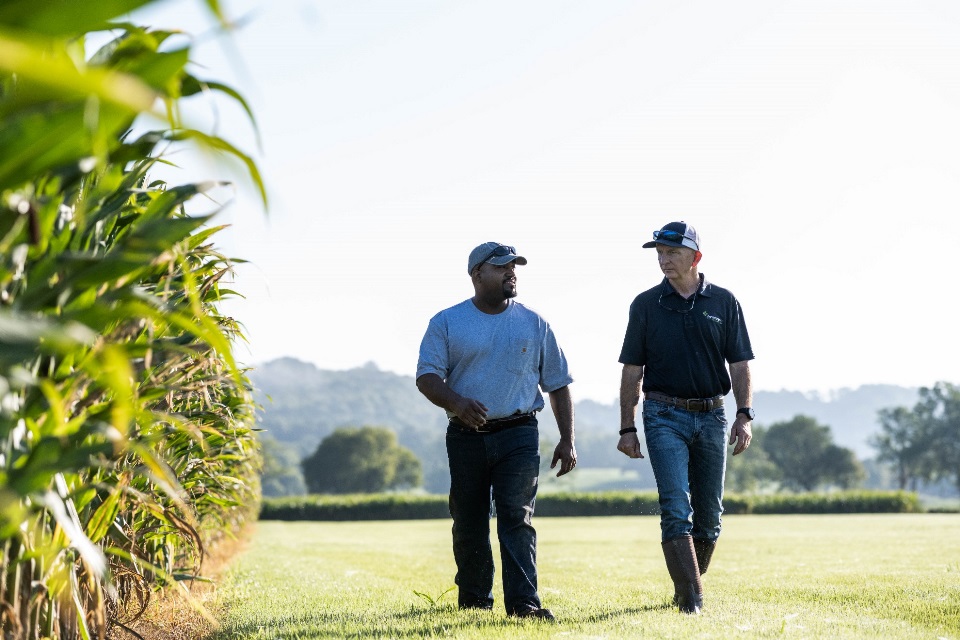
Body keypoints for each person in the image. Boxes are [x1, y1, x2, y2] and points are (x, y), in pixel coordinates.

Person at [416, 241, 577, 621]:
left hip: (520, 433)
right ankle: (474, 603)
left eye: (514, 266)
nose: (511, 271)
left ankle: (524, 606)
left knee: (516, 518)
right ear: (477, 274)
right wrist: (457, 403)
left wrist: (568, 438)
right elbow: (426, 378)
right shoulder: (447, 321)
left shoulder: (534, 322)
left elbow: (557, 384)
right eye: (502, 266)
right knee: (469, 521)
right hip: (465, 437)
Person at [616, 221, 754, 614]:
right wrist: (628, 426)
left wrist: (744, 414)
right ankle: (692, 600)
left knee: (709, 518)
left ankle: (685, 584)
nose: (663, 260)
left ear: (695, 256)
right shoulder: (645, 305)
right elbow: (631, 369)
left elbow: (740, 363)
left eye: (672, 253)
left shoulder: (724, 302)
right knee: (677, 506)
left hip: (712, 414)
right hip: (662, 414)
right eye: (659, 253)